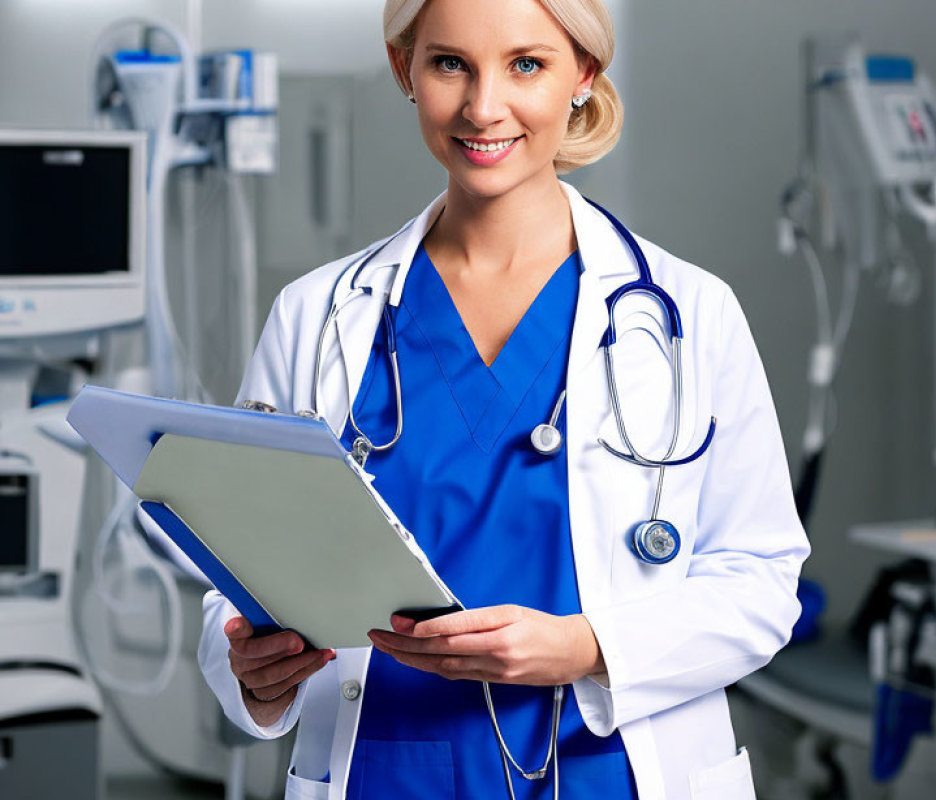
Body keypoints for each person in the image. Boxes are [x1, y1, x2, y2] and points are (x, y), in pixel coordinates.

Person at [198, 0, 810, 798]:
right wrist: (250, 669)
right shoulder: (318, 315)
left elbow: (761, 580)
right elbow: (242, 569)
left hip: (609, 774)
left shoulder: (690, 313)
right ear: (404, 70)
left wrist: (592, 647)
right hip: (385, 770)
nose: (484, 107)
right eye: (450, 63)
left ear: (583, 76)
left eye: (527, 64)